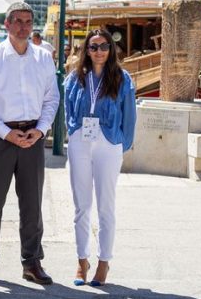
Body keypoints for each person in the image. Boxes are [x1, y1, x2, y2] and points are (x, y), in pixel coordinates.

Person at [0, 1, 60, 286]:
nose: (24, 27)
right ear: (7, 24)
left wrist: (41, 130)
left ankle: (32, 263)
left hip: (33, 135)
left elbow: (52, 98)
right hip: (0, 137)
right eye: (18, 21)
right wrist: (6, 133)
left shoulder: (44, 58)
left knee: (32, 203)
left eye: (28, 21)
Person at [64, 29, 136, 287]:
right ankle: (81, 260)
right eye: (93, 47)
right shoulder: (76, 78)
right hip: (80, 142)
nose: (99, 51)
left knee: (106, 205)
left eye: (104, 46)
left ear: (111, 49)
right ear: (87, 50)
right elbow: (67, 109)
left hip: (108, 143)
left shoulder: (122, 78)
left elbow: (130, 116)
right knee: (81, 206)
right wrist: (73, 132)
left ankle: (104, 261)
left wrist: (120, 144)